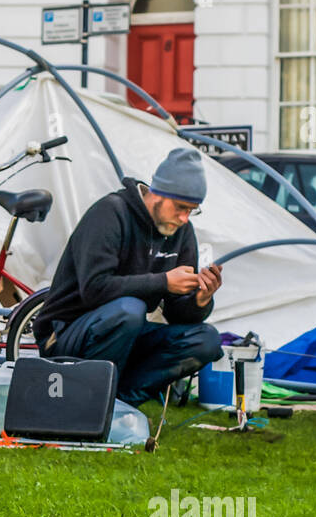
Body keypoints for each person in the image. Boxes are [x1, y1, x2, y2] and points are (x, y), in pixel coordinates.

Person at [32, 146, 224, 406]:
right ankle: (90, 402)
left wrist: (200, 299)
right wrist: (164, 281)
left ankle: (119, 403)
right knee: (130, 309)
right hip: (67, 332)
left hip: (125, 333)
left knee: (207, 339)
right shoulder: (110, 213)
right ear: (158, 193)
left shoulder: (182, 231)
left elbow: (178, 315)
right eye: (180, 207)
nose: (183, 218)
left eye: (192, 210)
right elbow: (94, 289)